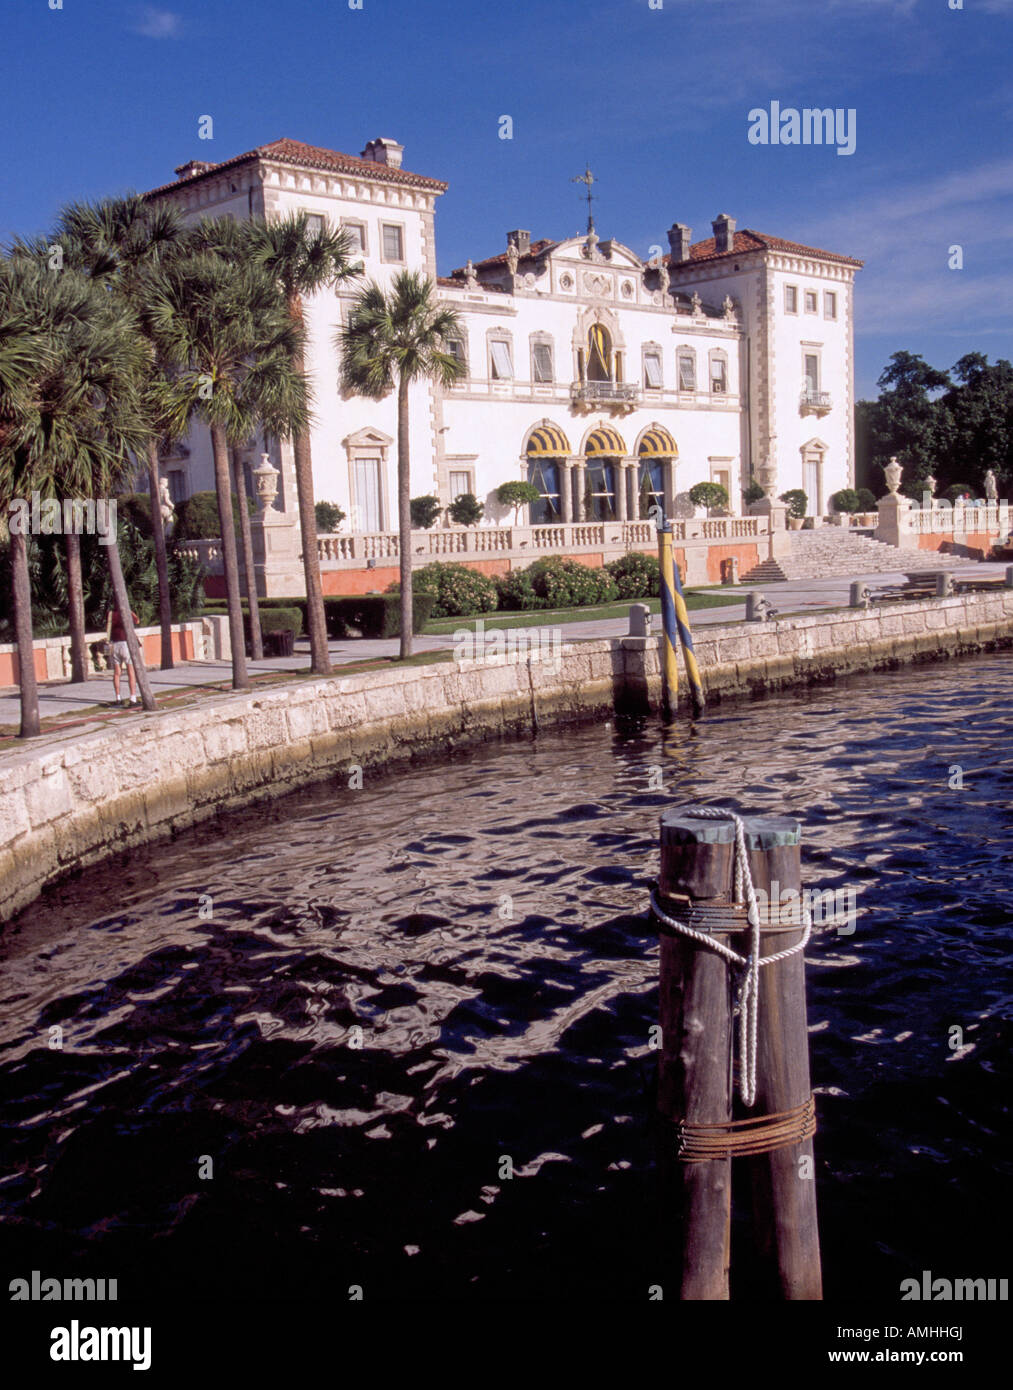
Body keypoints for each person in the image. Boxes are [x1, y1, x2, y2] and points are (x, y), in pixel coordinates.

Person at [105, 603, 139, 706]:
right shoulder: (126, 612)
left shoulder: (110, 614)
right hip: (125, 643)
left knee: (116, 673)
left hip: (114, 644)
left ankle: (118, 698)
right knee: (131, 673)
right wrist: (131, 611)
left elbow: (108, 628)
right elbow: (137, 620)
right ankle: (133, 698)